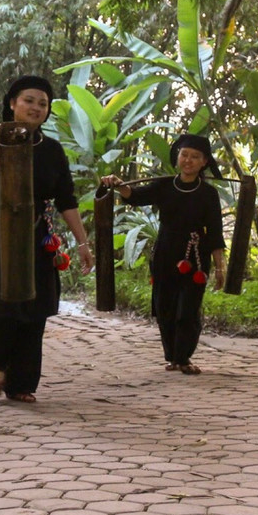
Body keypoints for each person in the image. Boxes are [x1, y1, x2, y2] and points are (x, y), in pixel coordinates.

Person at [0, 75, 95, 402]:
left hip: (39, 234)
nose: (36, 107)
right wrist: (4, 143)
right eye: (29, 100)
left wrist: (83, 243)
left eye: (43, 103)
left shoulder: (53, 151)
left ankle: (21, 383)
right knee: (5, 303)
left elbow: (66, 199)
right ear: (12, 103)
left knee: (38, 306)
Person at [100, 133, 225, 375]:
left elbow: (216, 233)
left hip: (195, 257)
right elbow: (136, 197)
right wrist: (118, 183)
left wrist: (220, 266)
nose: (188, 160)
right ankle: (173, 357)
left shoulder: (209, 194)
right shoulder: (164, 185)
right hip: (165, 253)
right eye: (184, 155)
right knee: (165, 307)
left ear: (204, 162)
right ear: (177, 157)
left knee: (188, 309)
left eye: (195, 157)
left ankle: (184, 357)